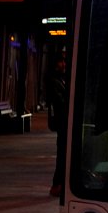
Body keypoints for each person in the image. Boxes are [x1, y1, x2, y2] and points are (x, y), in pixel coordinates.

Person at [46, 52, 68, 197]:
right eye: (61, 62)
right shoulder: (54, 81)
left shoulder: (61, 79)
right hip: (62, 122)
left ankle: (59, 183)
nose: (64, 64)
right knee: (62, 153)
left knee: (63, 153)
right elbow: (59, 101)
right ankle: (57, 184)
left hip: (63, 121)